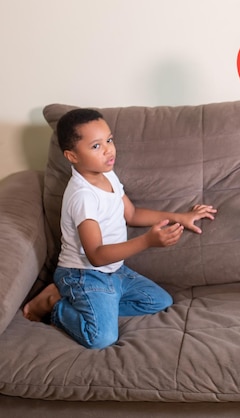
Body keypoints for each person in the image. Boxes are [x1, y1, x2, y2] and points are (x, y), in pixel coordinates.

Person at [23, 108, 217, 349]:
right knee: (101, 338)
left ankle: (87, 300)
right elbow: (95, 255)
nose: (108, 149)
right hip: (84, 273)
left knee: (159, 301)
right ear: (72, 156)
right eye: (96, 146)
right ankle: (55, 303)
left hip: (114, 272)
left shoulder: (107, 174)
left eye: (109, 140)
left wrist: (180, 216)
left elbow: (132, 214)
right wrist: (147, 241)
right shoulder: (83, 197)